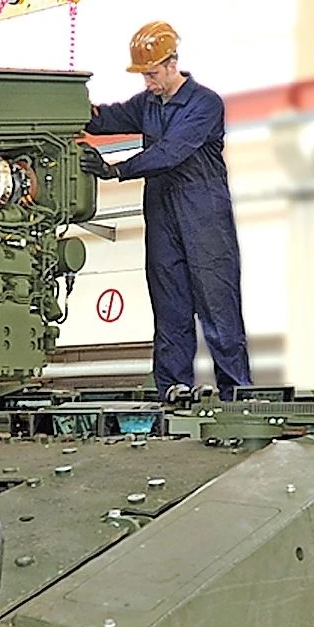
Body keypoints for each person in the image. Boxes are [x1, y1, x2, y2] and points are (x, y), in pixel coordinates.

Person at [79, 21, 251, 402]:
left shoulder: (205, 103)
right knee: (169, 306)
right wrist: (73, 104)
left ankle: (236, 395)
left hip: (203, 215)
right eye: (143, 76)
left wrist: (116, 170)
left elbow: (170, 152)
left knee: (218, 306)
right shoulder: (148, 104)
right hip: (161, 215)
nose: (148, 82)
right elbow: (106, 119)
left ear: (172, 63)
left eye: (152, 74)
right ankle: (173, 390)